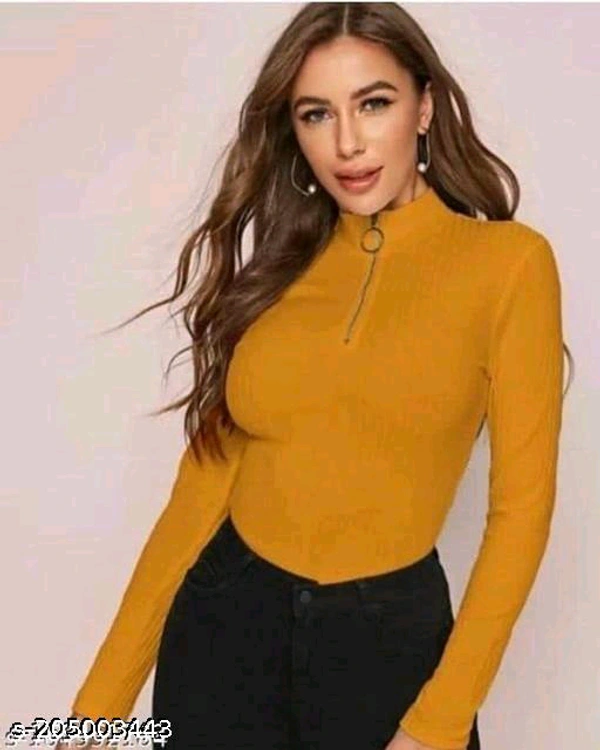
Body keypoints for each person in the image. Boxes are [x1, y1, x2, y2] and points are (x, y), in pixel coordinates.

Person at [67, 3, 572, 749]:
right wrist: (90, 717)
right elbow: (198, 496)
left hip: (390, 647)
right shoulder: (276, 272)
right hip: (224, 630)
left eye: (374, 103)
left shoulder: (509, 266)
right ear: (293, 129)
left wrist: (440, 722)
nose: (347, 143)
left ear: (425, 107)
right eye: (316, 114)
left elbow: (521, 513)